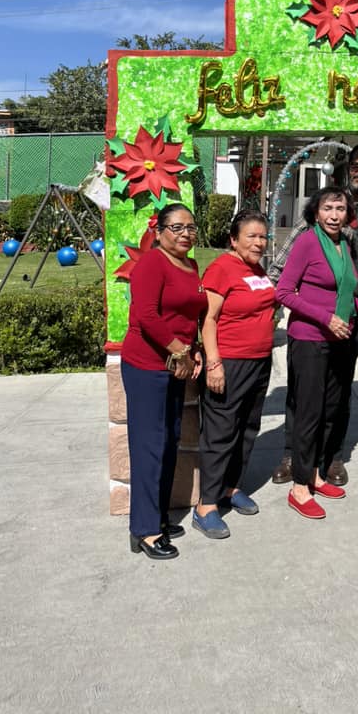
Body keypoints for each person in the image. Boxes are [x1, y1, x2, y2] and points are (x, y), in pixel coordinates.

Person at [269, 142, 358, 486]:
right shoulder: (319, 220)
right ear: (347, 168)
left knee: (339, 390)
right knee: (302, 392)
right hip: (315, 323)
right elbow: (280, 273)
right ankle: (294, 454)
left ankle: (332, 456)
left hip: (352, 316)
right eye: (357, 166)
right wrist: (268, 313)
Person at [121, 204, 205, 560]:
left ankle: (158, 514)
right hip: (147, 366)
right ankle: (144, 529)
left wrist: (195, 349)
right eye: (176, 227)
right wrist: (180, 352)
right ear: (159, 231)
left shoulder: (191, 265)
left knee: (170, 440)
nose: (185, 234)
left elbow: (190, 315)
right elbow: (146, 316)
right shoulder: (152, 263)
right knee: (148, 446)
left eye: (190, 227)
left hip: (176, 366)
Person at [275, 187, 358, 519]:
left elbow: (347, 286)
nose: (335, 215)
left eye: (340, 208)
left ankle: (315, 474)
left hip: (340, 338)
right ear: (316, 212)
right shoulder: (308, 241)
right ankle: (299, 487)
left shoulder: (343, 245)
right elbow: (284, 291)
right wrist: (326, 318)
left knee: (330, 409)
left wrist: (356, 311)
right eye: (328, 208)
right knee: (308, 412)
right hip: (310, 337)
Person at [193, 210, 276, 539]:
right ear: (233, 239)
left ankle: (231, 487)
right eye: (251, 236)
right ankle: (206, 505)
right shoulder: (222, 269)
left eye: (263, 236)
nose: (259, 242)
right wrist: (214, 363)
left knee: (247, 428)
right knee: (220, 432)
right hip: (230, 362)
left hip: (259, 362)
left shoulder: (256, 268)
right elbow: (208, 320)